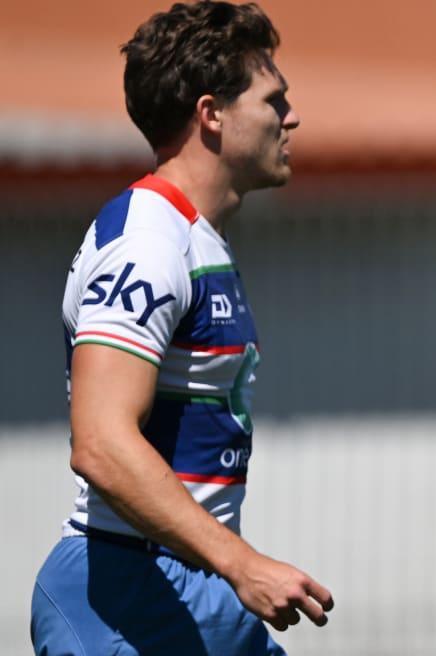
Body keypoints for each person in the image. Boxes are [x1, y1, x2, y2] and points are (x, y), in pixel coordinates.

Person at [30, 2, 334, 654]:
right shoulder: (147, 241)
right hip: (123, 593)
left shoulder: (197, 239)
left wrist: (229, 569)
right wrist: (243, 563)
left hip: (195, 590)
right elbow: (101, 444)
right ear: (211, 114)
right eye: (273, 99)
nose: (292, 116)